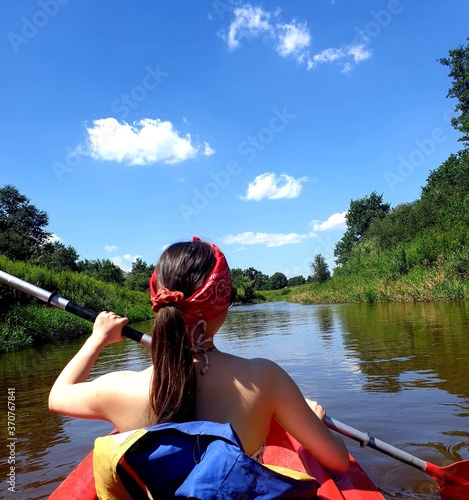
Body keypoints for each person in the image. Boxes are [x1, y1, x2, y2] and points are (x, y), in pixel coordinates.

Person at [49, 236, 349, 474]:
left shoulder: (120, 388)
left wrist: (97, 339)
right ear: (222, 306)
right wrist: (314, 420)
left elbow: (58, 397)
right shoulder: (265, 379)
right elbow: (339, 461)